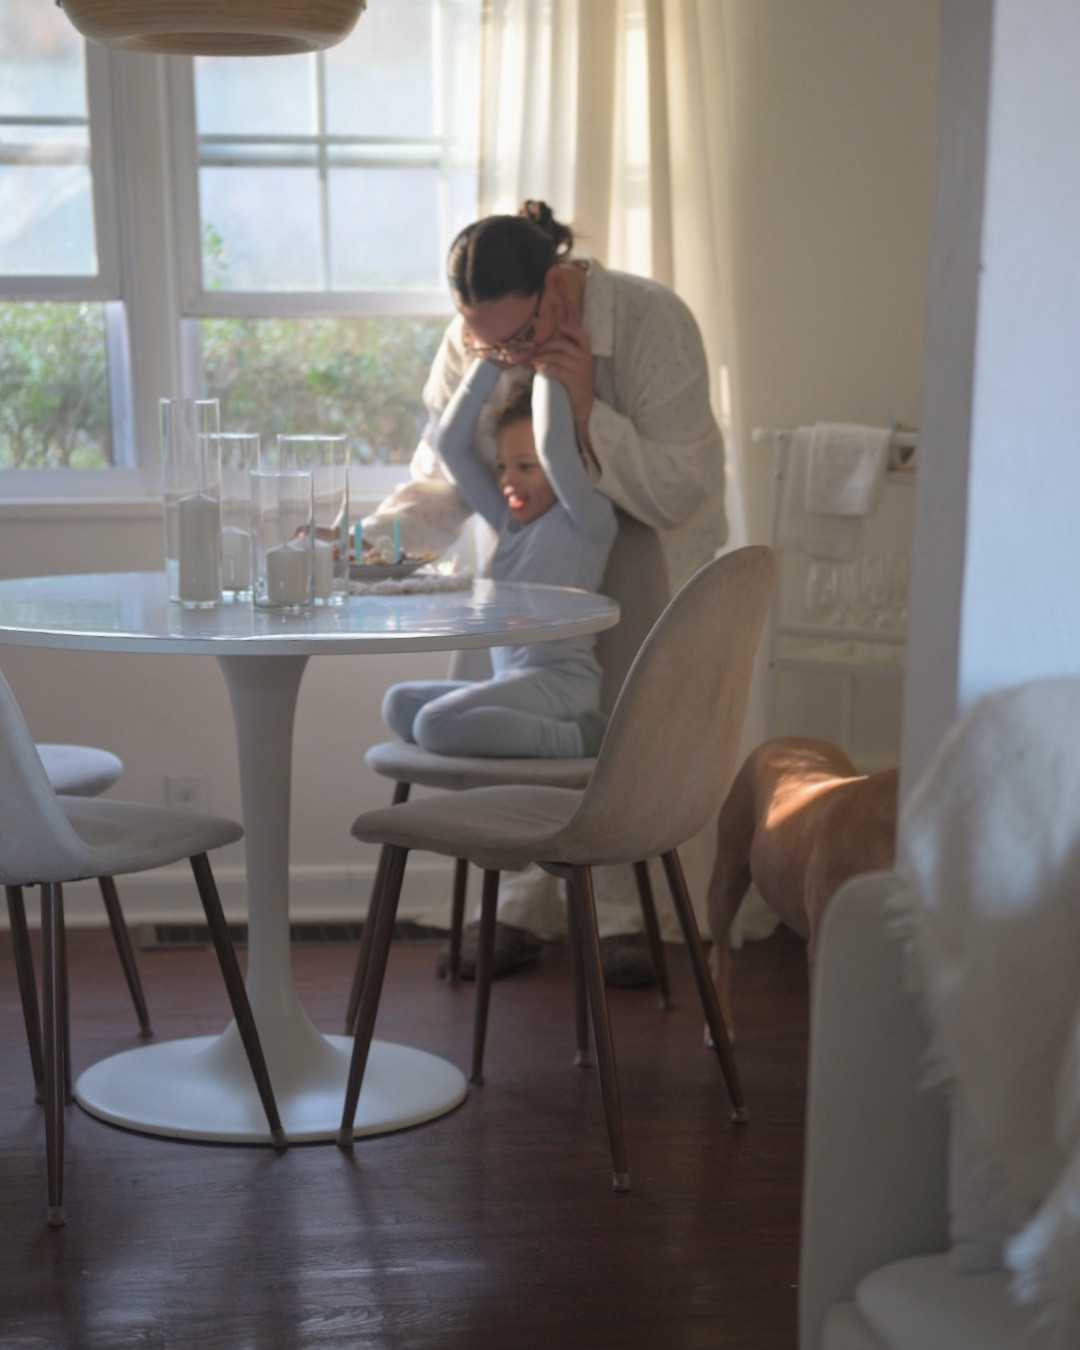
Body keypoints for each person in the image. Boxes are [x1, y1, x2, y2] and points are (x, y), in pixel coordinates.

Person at [363, 200, 727, 983]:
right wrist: (362, 546)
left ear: (559, 282)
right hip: (537, 558)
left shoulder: (652, 321)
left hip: (642, 546)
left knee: (630, 732)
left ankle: (634, 917)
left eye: (519, 338)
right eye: (484, 340)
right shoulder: (478, 342)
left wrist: (588, 404)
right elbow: (445, 475)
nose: (506, 355)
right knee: (486, 707)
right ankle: (518, 903)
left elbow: (684, 489)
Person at [381, 368, 616, 762]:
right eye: (503, 467)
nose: (508, 482)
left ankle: (581, 738)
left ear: (568, 467)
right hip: (514, 679)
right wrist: (488, 362)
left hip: (560, 684)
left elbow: (556, 449)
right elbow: (450, 446)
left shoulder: (586, 519)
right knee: (400, 705)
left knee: (432, 724)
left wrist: (546, 366)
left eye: (526, 467)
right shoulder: (507, 522)